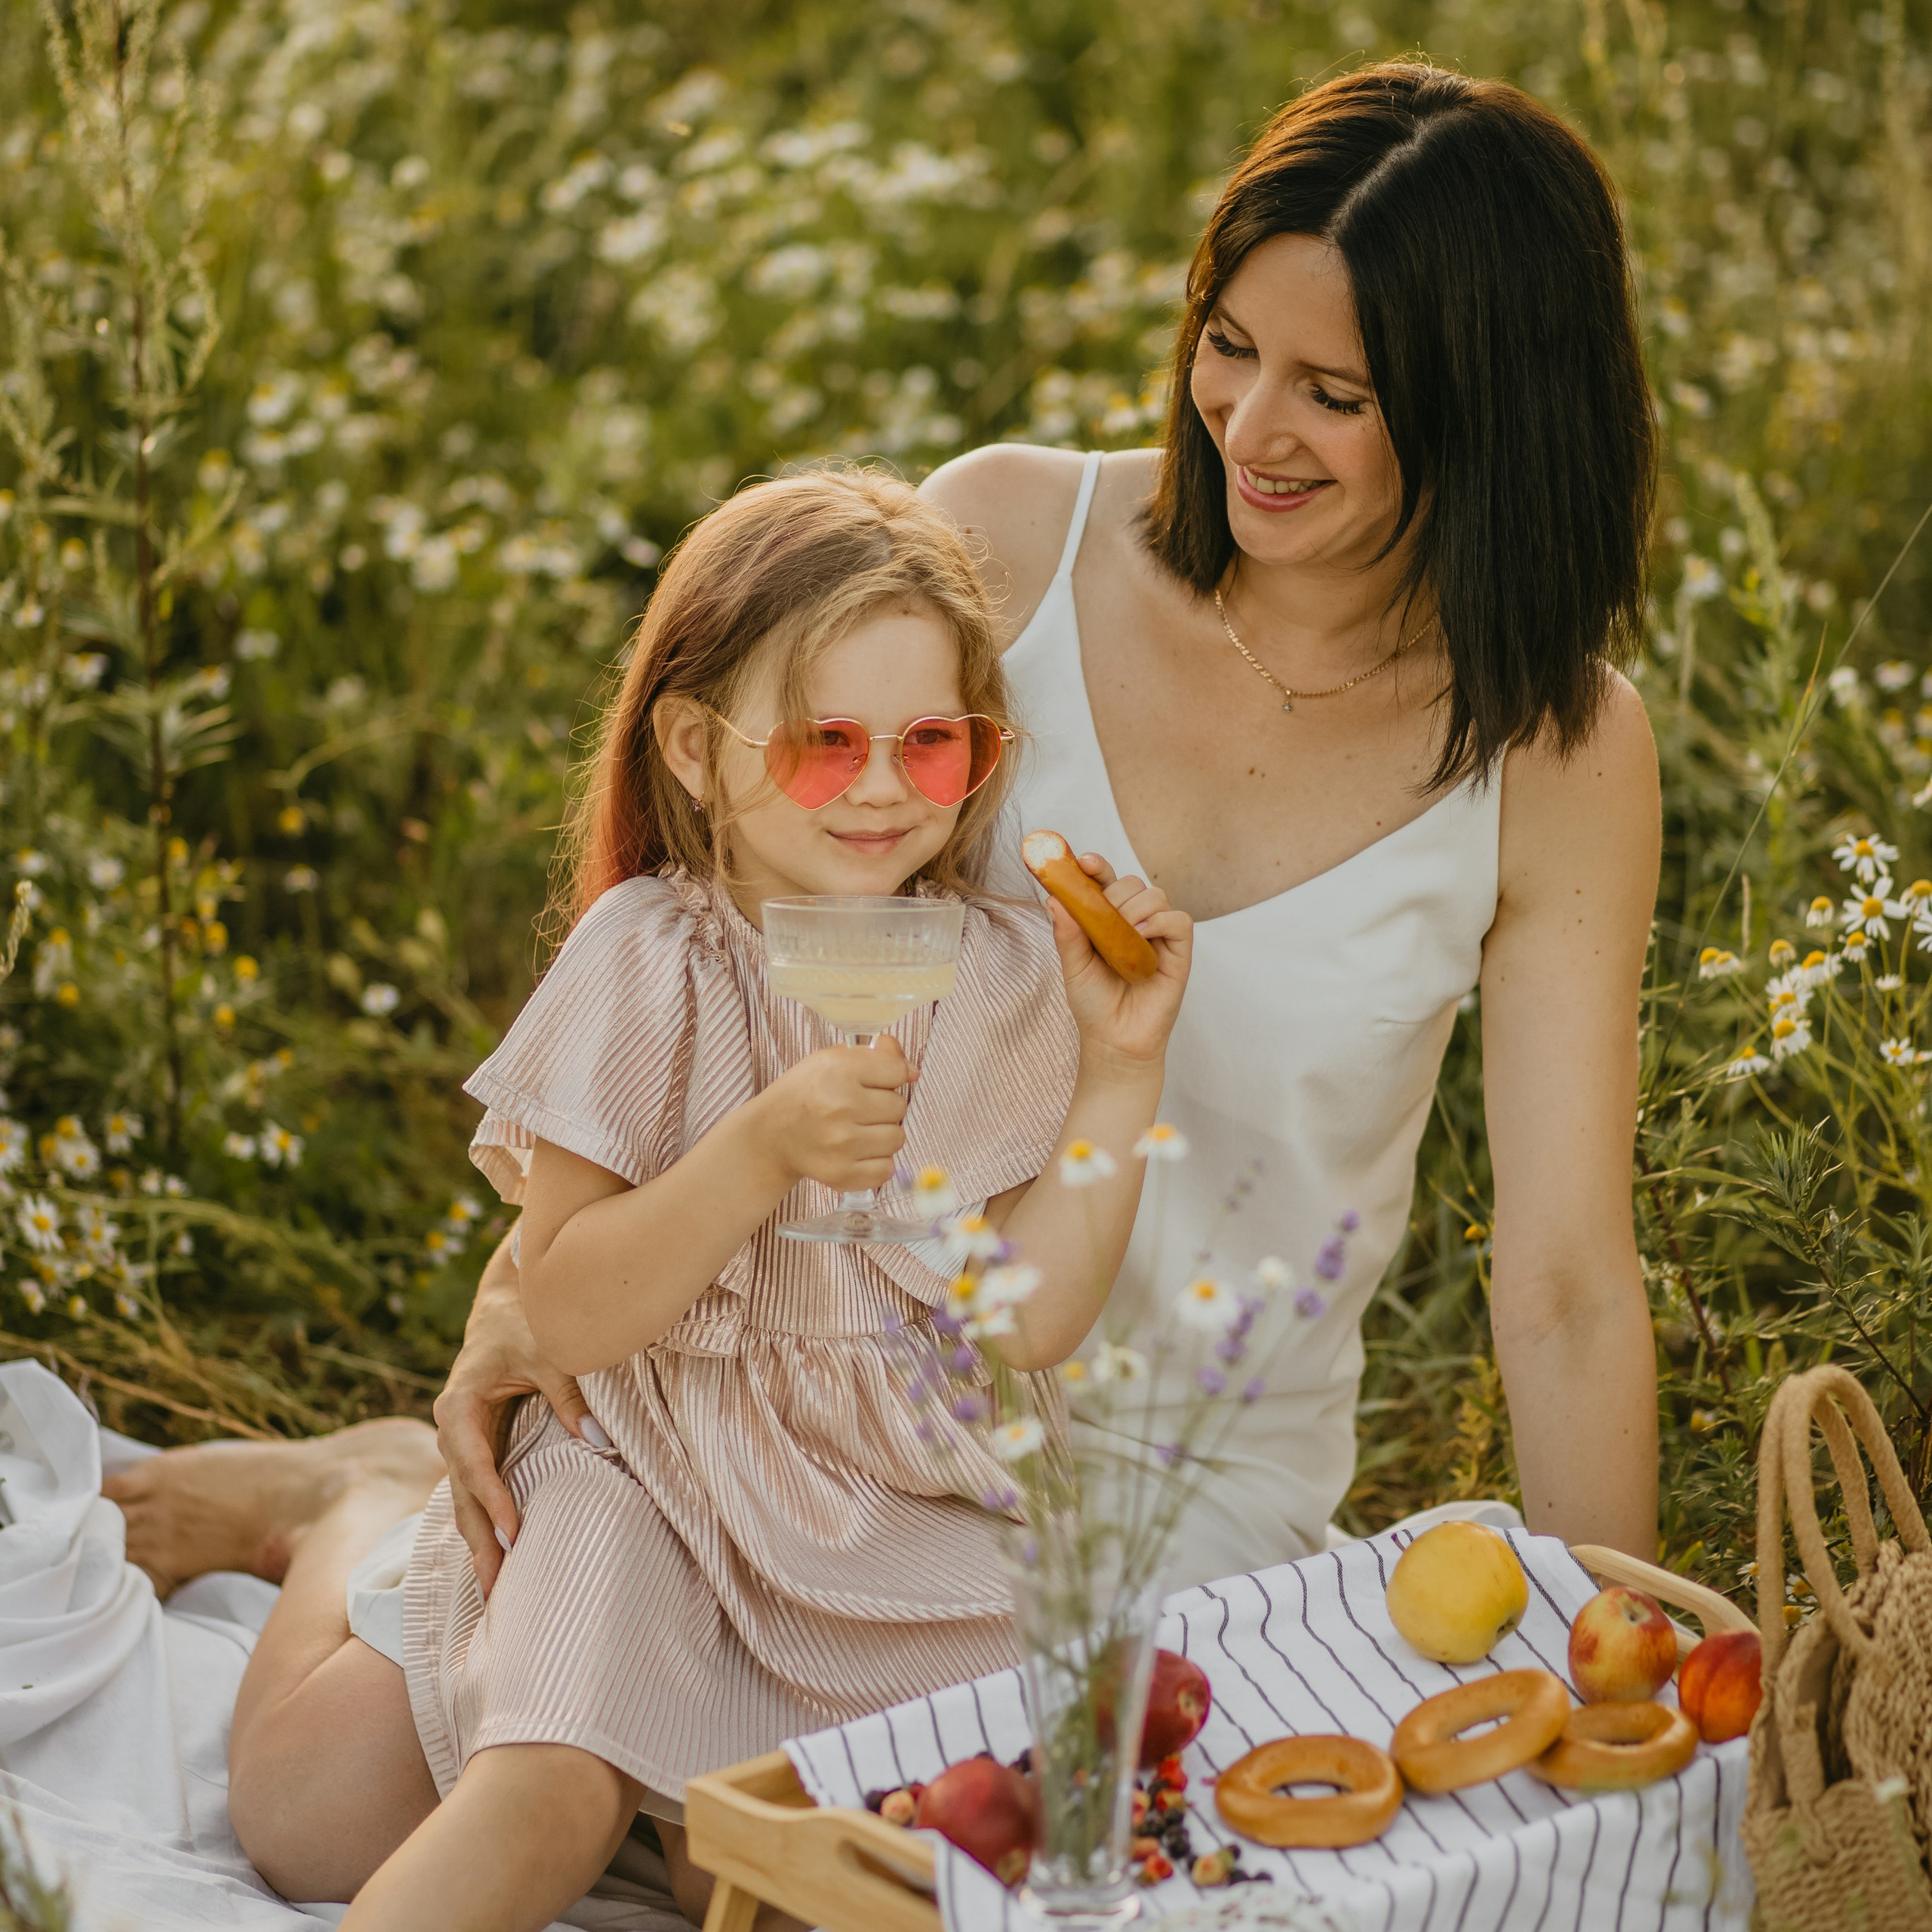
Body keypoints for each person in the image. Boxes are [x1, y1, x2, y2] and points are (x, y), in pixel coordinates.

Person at [421, 58, 1664, 1598]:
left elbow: (1559, 1287)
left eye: (1331, 395)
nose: (1247, 425)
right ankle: (331, 1499)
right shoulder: (1010, 535)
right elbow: (712, 930)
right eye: (1225, 346)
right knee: (336, 1779)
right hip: (821, 1396)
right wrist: (526, 1289)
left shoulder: (1559, 750)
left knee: (991, 1815)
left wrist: (1638, 1666)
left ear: (1492, 413)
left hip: (1179, 1492)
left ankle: (320, 1489)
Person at [114, 467, 1189, 1932]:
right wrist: (755, 1152)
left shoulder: (1002, 975)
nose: (880, 787)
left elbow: (1032, 1322)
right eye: (824, 743)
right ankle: (357, 1506)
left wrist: (1121, 1079)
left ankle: (658, 1789)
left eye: (929, 743)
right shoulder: (652, 956)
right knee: (354, 1818)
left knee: (796, 1876)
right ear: (692, 745)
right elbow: (561, 1303)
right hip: (649, 1466)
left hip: (898, 1507)